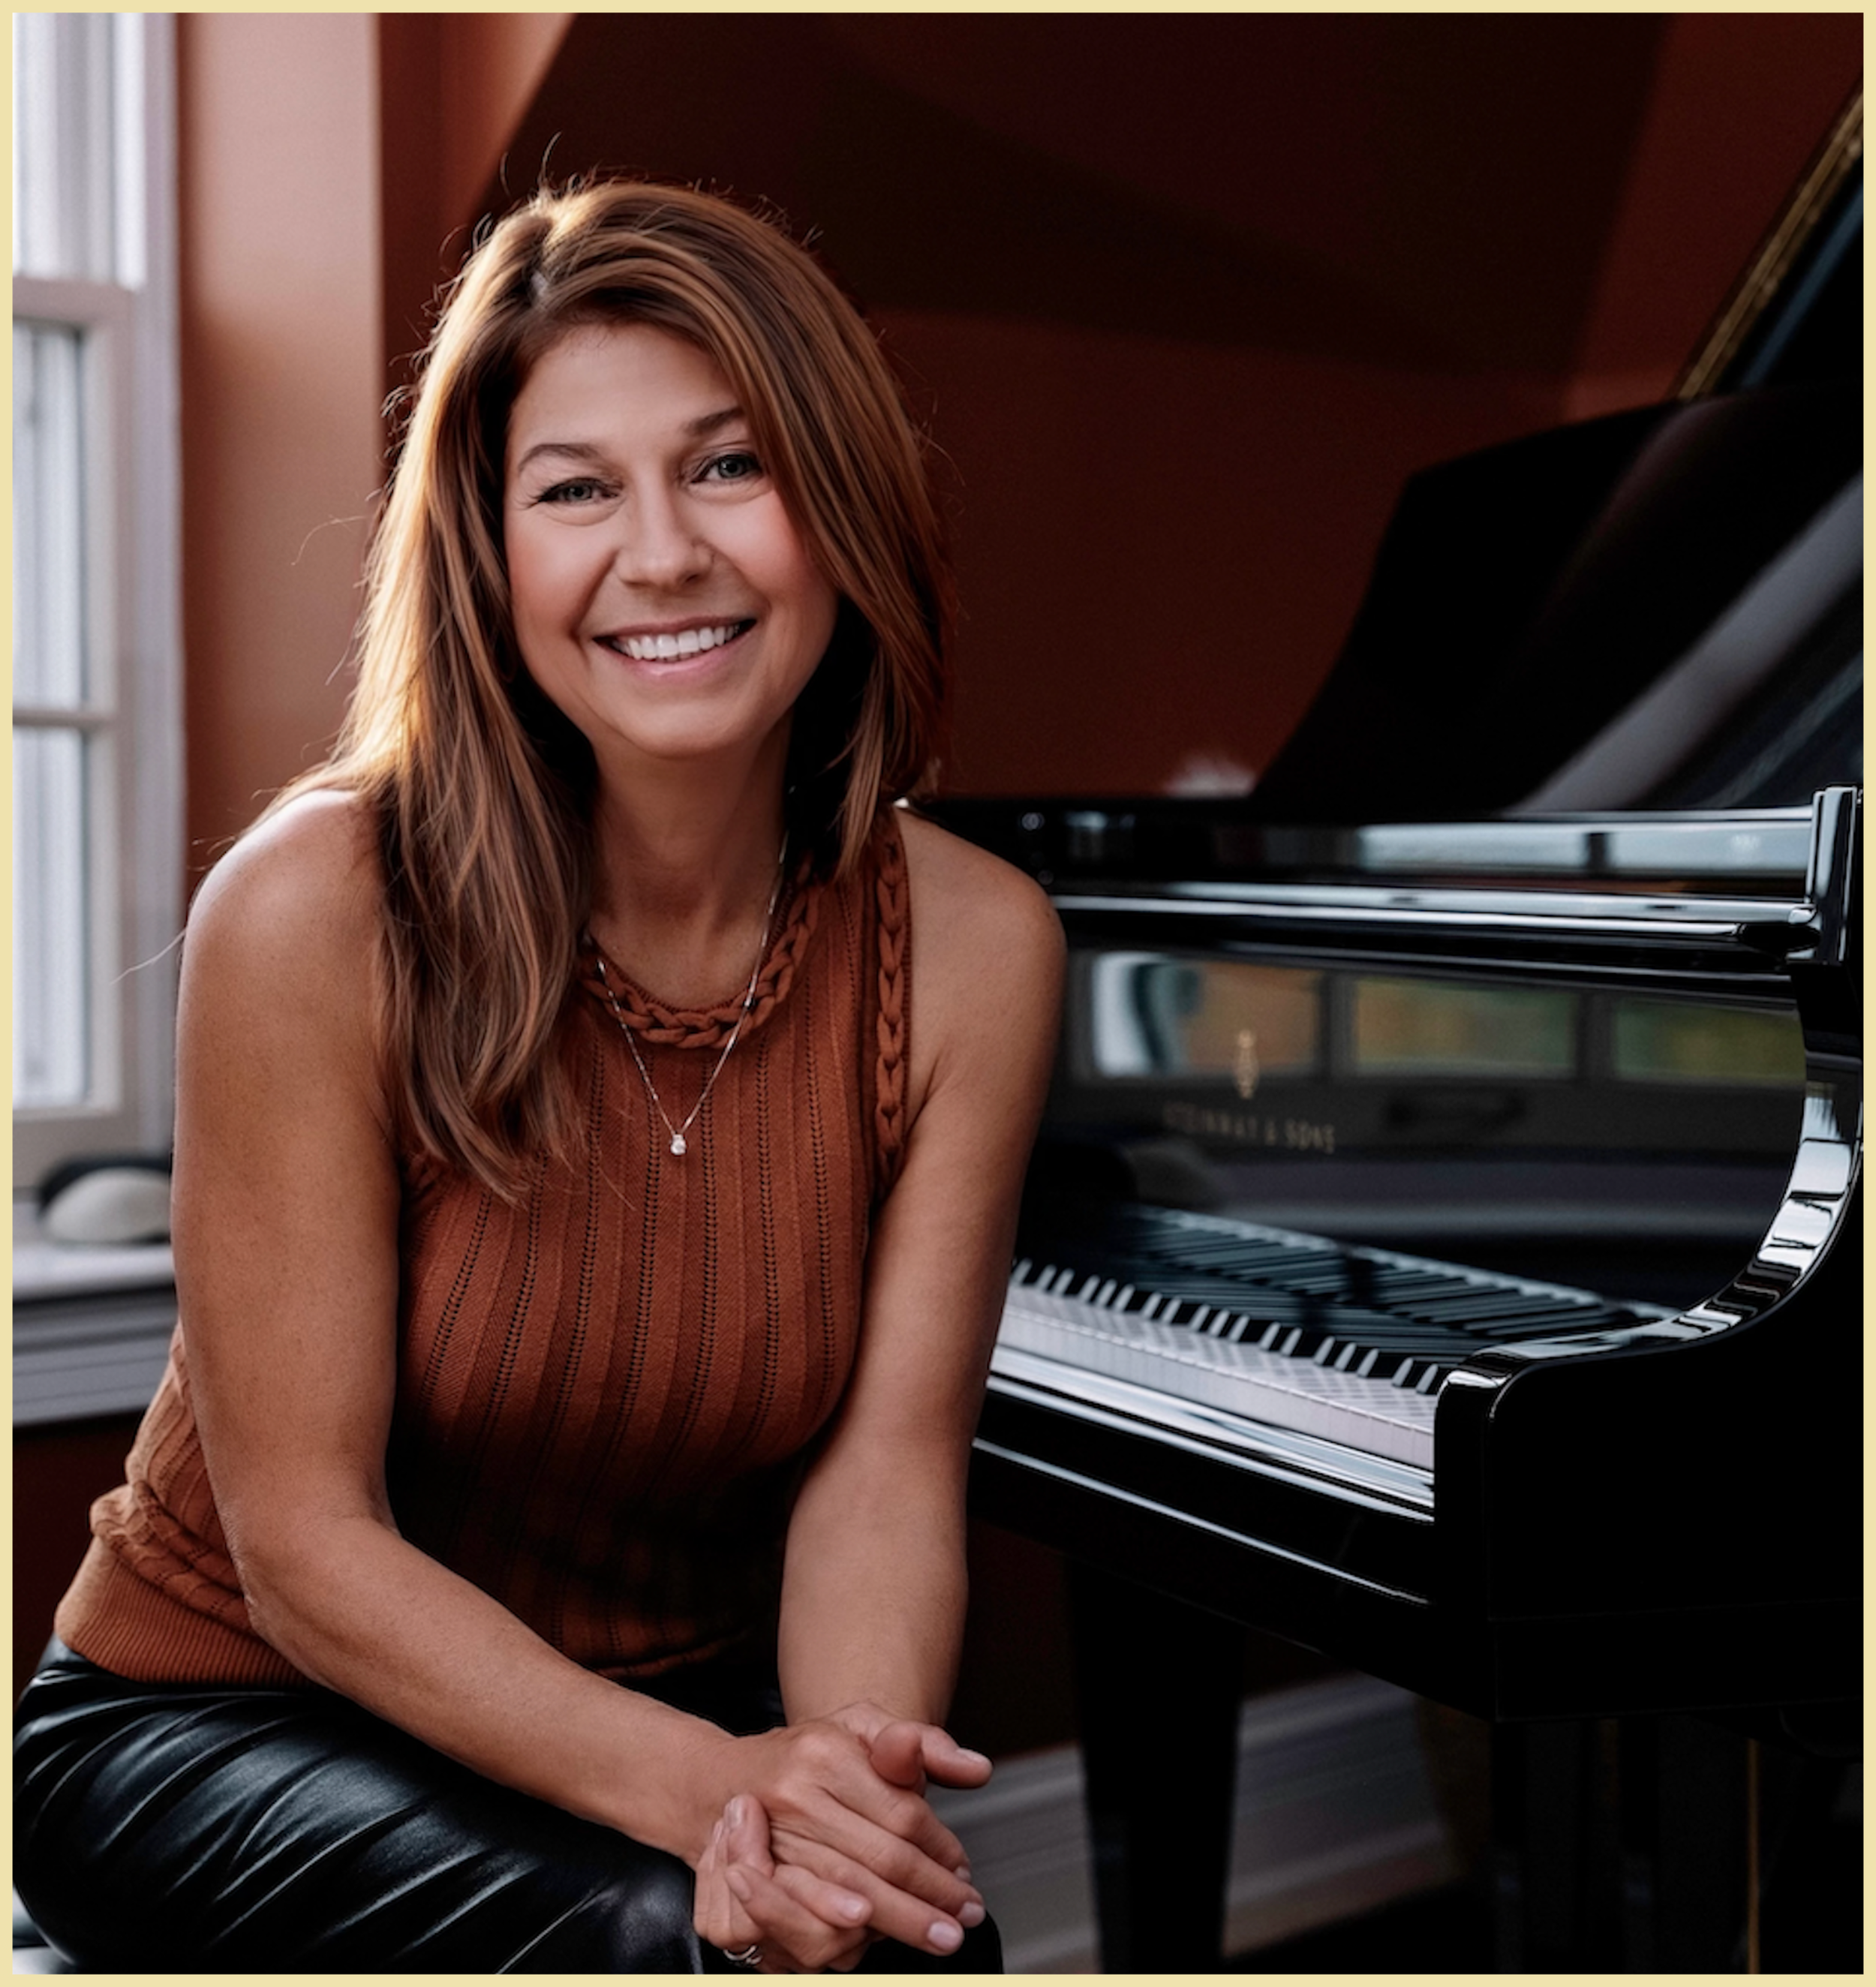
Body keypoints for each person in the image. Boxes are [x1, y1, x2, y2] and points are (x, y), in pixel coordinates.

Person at [14, 177, 1063, 1973]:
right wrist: (718, 1799)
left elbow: (882, 1480)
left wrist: (836, 1800)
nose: (662, 554)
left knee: (883, 1940)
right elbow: (308, 1551)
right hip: (225, 1719)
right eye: (575, 490)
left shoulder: (973, 943)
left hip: (672, 1713)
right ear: (488, 557)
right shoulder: (316, 908)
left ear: (838, 500)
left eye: (728, 466)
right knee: (662, 1931)